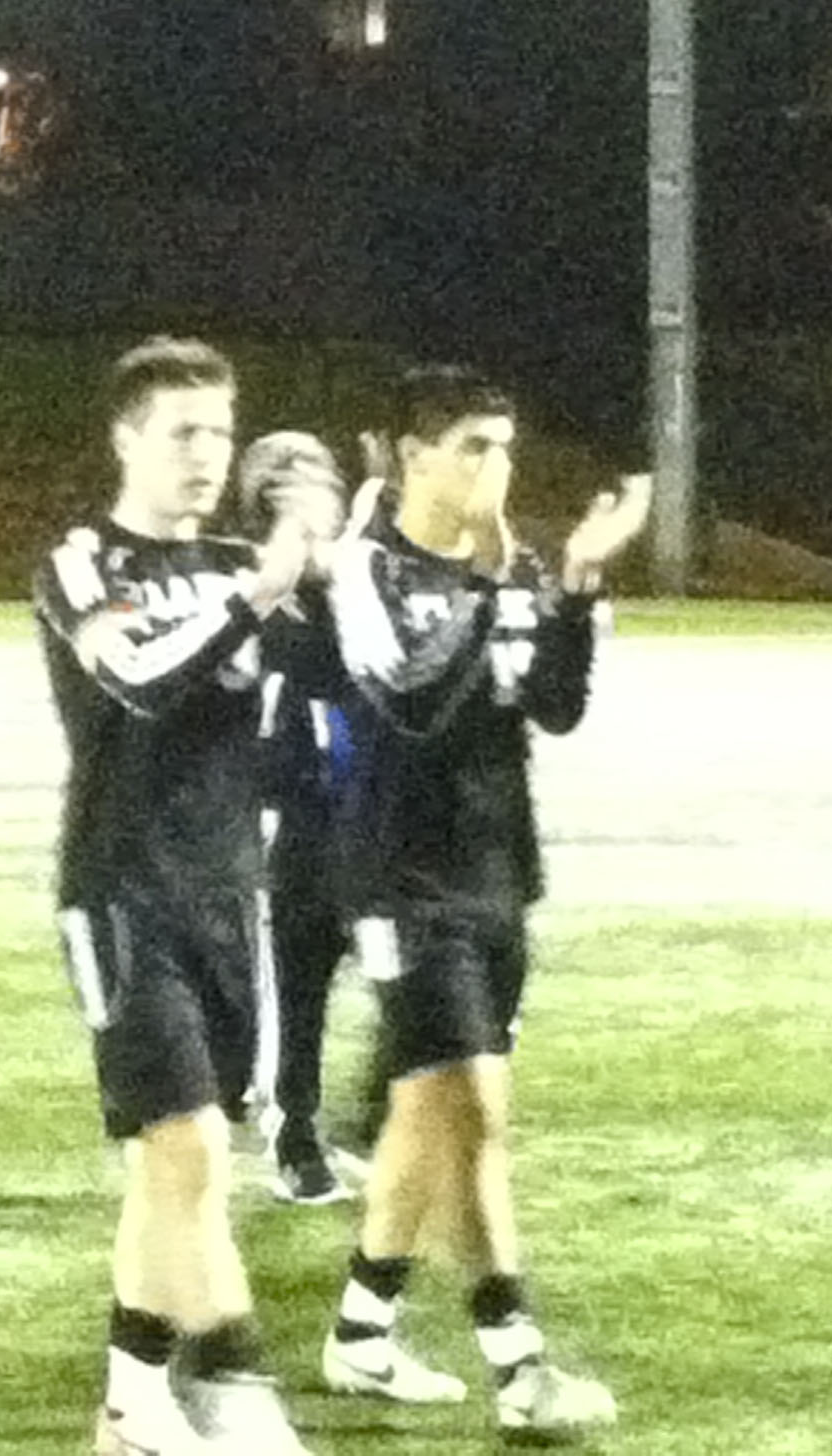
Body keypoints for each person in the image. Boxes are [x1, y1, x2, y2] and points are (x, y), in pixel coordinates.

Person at [316, 365, 646, 1437]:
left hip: (498, 872)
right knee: (474, 1110)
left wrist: (579, 588)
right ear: (412, 456)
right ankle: (520, 1361)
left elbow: (553, 708)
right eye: (471, 446)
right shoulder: (365, 567)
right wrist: (498, 593)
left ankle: (361, 1333)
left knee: (426, 1108)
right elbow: (406, 696)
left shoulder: (514, 566)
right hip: (399, 878)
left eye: (502, 448)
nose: (494, 470)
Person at [33, 337, 322, 1455]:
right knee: (189, 1146)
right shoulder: (78, 560)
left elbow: (336, 686)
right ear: (126, 439)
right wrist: (258, 593)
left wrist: (332, 552)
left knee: (177, 1161)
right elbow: (138, 679)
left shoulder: (241, 563)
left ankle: (131, 1404)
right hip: (117, 890)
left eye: (220, 432)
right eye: (181, 433)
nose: (207, 455)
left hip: (224, 892)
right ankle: (239, 1394)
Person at [234, 430, 359, 1205]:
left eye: (324, 490)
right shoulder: (249, 591)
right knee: (296, 976)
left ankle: (376, 1117)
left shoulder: (352, 589)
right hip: (289, 811)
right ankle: (295, 1129)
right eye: (294, 491)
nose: (316, 504)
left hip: (362, 808)